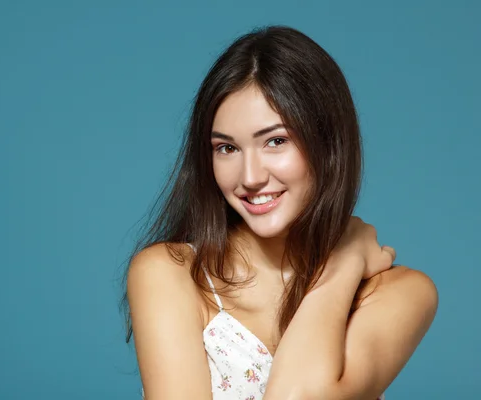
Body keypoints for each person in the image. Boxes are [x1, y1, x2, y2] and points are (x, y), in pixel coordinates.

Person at [122, 26, 438, 399]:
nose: (250, 178)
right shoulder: (171, 273)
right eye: (226, 148)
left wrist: (341, 264)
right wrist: (347, 256)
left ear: (328, 144)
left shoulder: (399, 294)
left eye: (276, 141)